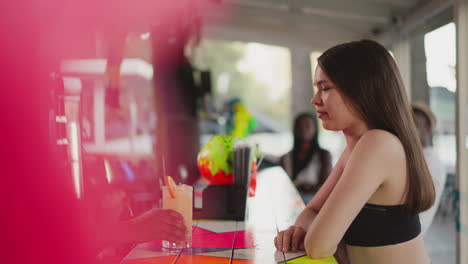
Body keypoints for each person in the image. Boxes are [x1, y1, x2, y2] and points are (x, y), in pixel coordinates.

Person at [274, 39, 435, 264]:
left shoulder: (378, 144)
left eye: (325, 88)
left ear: (361, 90)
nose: (315, 100)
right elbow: (311, 211)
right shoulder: (356, 149)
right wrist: (301, 229)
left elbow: (318, 245)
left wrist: (312, 232)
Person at [280, 113, 332, 203]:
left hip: (316, 202)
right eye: (300, 126)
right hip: (292, 202)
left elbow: (327, 185)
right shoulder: (286, 157)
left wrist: (311, 188)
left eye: (307, 125)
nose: (303, 129)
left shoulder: (324, 155)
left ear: (315, 129)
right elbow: (284, 185)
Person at [412, 102, 447, 235]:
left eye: (415, 123)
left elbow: (421, 207)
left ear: (427, 128)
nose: (410, 129)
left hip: (412, 236)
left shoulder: (432, 163)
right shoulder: (417, 157)